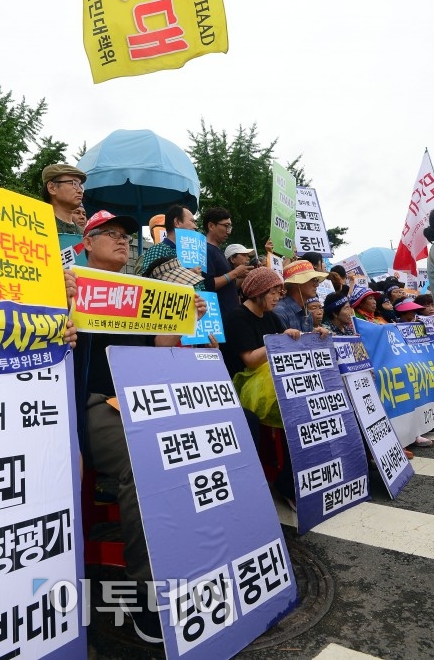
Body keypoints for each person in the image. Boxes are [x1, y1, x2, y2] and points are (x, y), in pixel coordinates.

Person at [74, 210, 207, 644]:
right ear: (87, 243)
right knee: (146, 462)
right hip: (93, 404)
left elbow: (159, 350)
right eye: (110, 234)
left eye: (127, 236)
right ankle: (147, 589)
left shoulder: (143, 294)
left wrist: (183, 319)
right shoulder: (68, 285)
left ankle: (200, 556)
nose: (122, 241)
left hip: (145, 401)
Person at [228, 267, 300, 508]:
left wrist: (312, 336)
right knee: (293, 407)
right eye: (273, 292)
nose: (278, 297)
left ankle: (292, 478)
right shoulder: (237, 317)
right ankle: (285, 484)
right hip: (245, 384)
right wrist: (278, 340)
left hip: (272, 380)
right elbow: (250, 360)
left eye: (280, 292)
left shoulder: (271, 316)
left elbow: (286, 344)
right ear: (258, 292)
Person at [138, 204, 202, 285]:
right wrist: (188, 276)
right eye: (192, 221)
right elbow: (148, 281)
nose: (195, 227)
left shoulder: (192, 253)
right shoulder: (158, 249)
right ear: (177, 222)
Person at [274, 260, 329, 334]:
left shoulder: (307, 313)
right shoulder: (280, 312)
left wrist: (314, 335)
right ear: (297, 283)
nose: (316, 285)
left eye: (316, 280)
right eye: (312, 280)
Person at [41, 162, 87, 234]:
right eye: (74, 183)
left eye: (80, 186)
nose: (80, 191)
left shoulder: (83, 234)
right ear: (52, 188)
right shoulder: (39, 226)